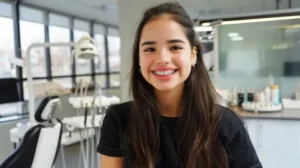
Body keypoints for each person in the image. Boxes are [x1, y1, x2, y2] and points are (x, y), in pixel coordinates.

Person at [97, 2, 262, 168]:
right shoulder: (118, 121)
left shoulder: (226, 124)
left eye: (175, 47)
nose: (162, 58)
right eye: (150, 49)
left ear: (193, 55)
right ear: (138, 58)